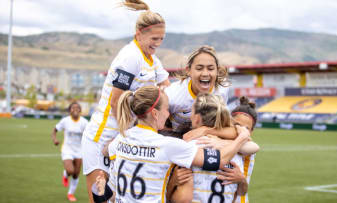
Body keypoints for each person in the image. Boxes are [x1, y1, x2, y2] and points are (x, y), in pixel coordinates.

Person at [92, 86, 251, 203]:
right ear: (155, 113)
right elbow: (219, 160)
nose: (168, 114)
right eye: (167, 109)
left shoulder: (121, 139)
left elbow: (106, 150)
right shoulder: (168, 146)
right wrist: (240, 138)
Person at [81, 0, 170, 202]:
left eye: (161, 39)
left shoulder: (152, 59)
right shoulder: (131, 57)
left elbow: (166, 86)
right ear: (138, 34)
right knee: (101, 199)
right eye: (154, 38)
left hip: (121, 136)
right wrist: (126, 136)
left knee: (120, 198)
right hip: (104, 135)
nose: (158, 43)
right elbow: (116, 101)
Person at [168, 95, 256, 203]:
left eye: (192, 111)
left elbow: (182, 199)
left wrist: (171, 185)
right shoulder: (236, 152)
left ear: (197, 118)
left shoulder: (188, 149)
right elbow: (234, 197)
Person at [51, 101, 88, 202]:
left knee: (76, 174)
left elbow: (90, 135)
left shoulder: (84, 122)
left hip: (79, 150)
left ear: (80, 110)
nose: (75, 109)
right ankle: (65, 174)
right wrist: (54, 139)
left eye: (77, 108)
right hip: (67, 149)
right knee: (70, 170)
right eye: (73, 108)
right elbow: (54, 130)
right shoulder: (65, 121)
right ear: (69, 110)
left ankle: (70, 194)